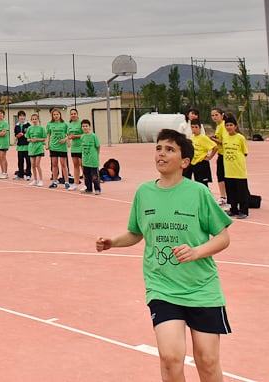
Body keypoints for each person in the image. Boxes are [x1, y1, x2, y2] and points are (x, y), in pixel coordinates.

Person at [96, 129, 233, 382]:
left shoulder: (199, 193)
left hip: (201, 288)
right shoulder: (144, 192)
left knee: (207, 361)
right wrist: (112, 242)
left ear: (184, 162)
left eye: (170, 149)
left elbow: (223, 237)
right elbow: (136, 233)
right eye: (158, 148)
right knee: (170, 359)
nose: (161, 153)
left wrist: (196, 252)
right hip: (162, 287)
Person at [220, 114, 251, 219]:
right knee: (231, 191)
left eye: (231, 125)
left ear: (235, 126)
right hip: (228, 170)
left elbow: (245, 152)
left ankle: (244, 211)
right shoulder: (225, 137)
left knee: (241, 191)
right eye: (227, 125)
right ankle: (233, 209)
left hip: (239, 170)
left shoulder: (240, 138)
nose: (229, 127)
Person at [74, 119, 102, 194]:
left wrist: (96, 154)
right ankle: (88, 188)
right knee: (87, 176)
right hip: (85, 160)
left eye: (86, 126)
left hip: (93, 160)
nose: (85, 127)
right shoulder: (82, 137)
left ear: (89, 127)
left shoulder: (93, 136)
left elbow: (98, 146)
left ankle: (97, 189)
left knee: (94, 176)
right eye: (83, 126)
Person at [185, 121, 217, 187]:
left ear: (200, 128)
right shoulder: (192, 137)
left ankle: (205, 196)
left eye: (196, 127)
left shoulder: (203, 138)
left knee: (202, 184)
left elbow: (215, 147)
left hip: (201, 163)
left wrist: (210, 157)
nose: (194, 129)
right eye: (192, 127)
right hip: (193, 163)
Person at [45, 108, 69, 188]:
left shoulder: (64, 124)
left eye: (57, 114)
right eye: (54, 114)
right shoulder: (49, 124)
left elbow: (68, 135)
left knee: (63, 164)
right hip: (53, 146)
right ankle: (54, 182)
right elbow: (48, 135)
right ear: (52, 115)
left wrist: (65, 140)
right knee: (54, 164)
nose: (56, 116)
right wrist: (47, 144)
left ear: (60, 115)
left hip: (62, 147)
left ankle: (66, 182)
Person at [210, 108, 228, 205]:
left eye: (216, 115)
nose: (214, 117)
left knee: (222, 176)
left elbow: (224, 142)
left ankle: (223, 196)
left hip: (225, 155)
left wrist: (213, 139)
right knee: (220, 175)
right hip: (221, 154)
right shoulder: (218, 126)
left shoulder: (223, 126)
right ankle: (224, 196)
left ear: (222, 115)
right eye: (212, 115)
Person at [25, 113, 47, 185]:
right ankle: (35, 179)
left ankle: (41, 180)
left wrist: (37, 139)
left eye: (35, 119)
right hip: (31, 148)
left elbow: (44, 138)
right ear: (31, 120)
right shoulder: (29, 128)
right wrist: (31, 140)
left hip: (39, 148)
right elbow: (27, 138)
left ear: (38, 120)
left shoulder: (41, 128)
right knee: (33, 165)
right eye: (33, 119)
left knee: (37, 164)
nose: (34, 120)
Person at [65, 109, 84, 187]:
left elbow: (84, 134)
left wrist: (75, 136)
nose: (73, 115)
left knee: (82, 165)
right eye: (71, 114)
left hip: (81, 147)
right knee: (75, 165)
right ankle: (76, 183)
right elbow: (68, 135)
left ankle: (86, 184)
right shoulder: (70, 124)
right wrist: (68, 139)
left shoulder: (81, 123)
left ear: (77, 114)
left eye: (74, 113)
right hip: (74, 147)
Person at [13, 111, 31, 179]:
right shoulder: (17, 125)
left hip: (27, 146)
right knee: (20, 161)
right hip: (20, 146)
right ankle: (20, 174)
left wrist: (23, 134)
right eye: (20, 116)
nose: (22, 117)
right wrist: (17, 136)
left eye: (23, 116)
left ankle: (28, 174)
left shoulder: (28, 125)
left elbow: (30, 134)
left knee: (28, 161)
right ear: (18, 117)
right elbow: (15, 135)